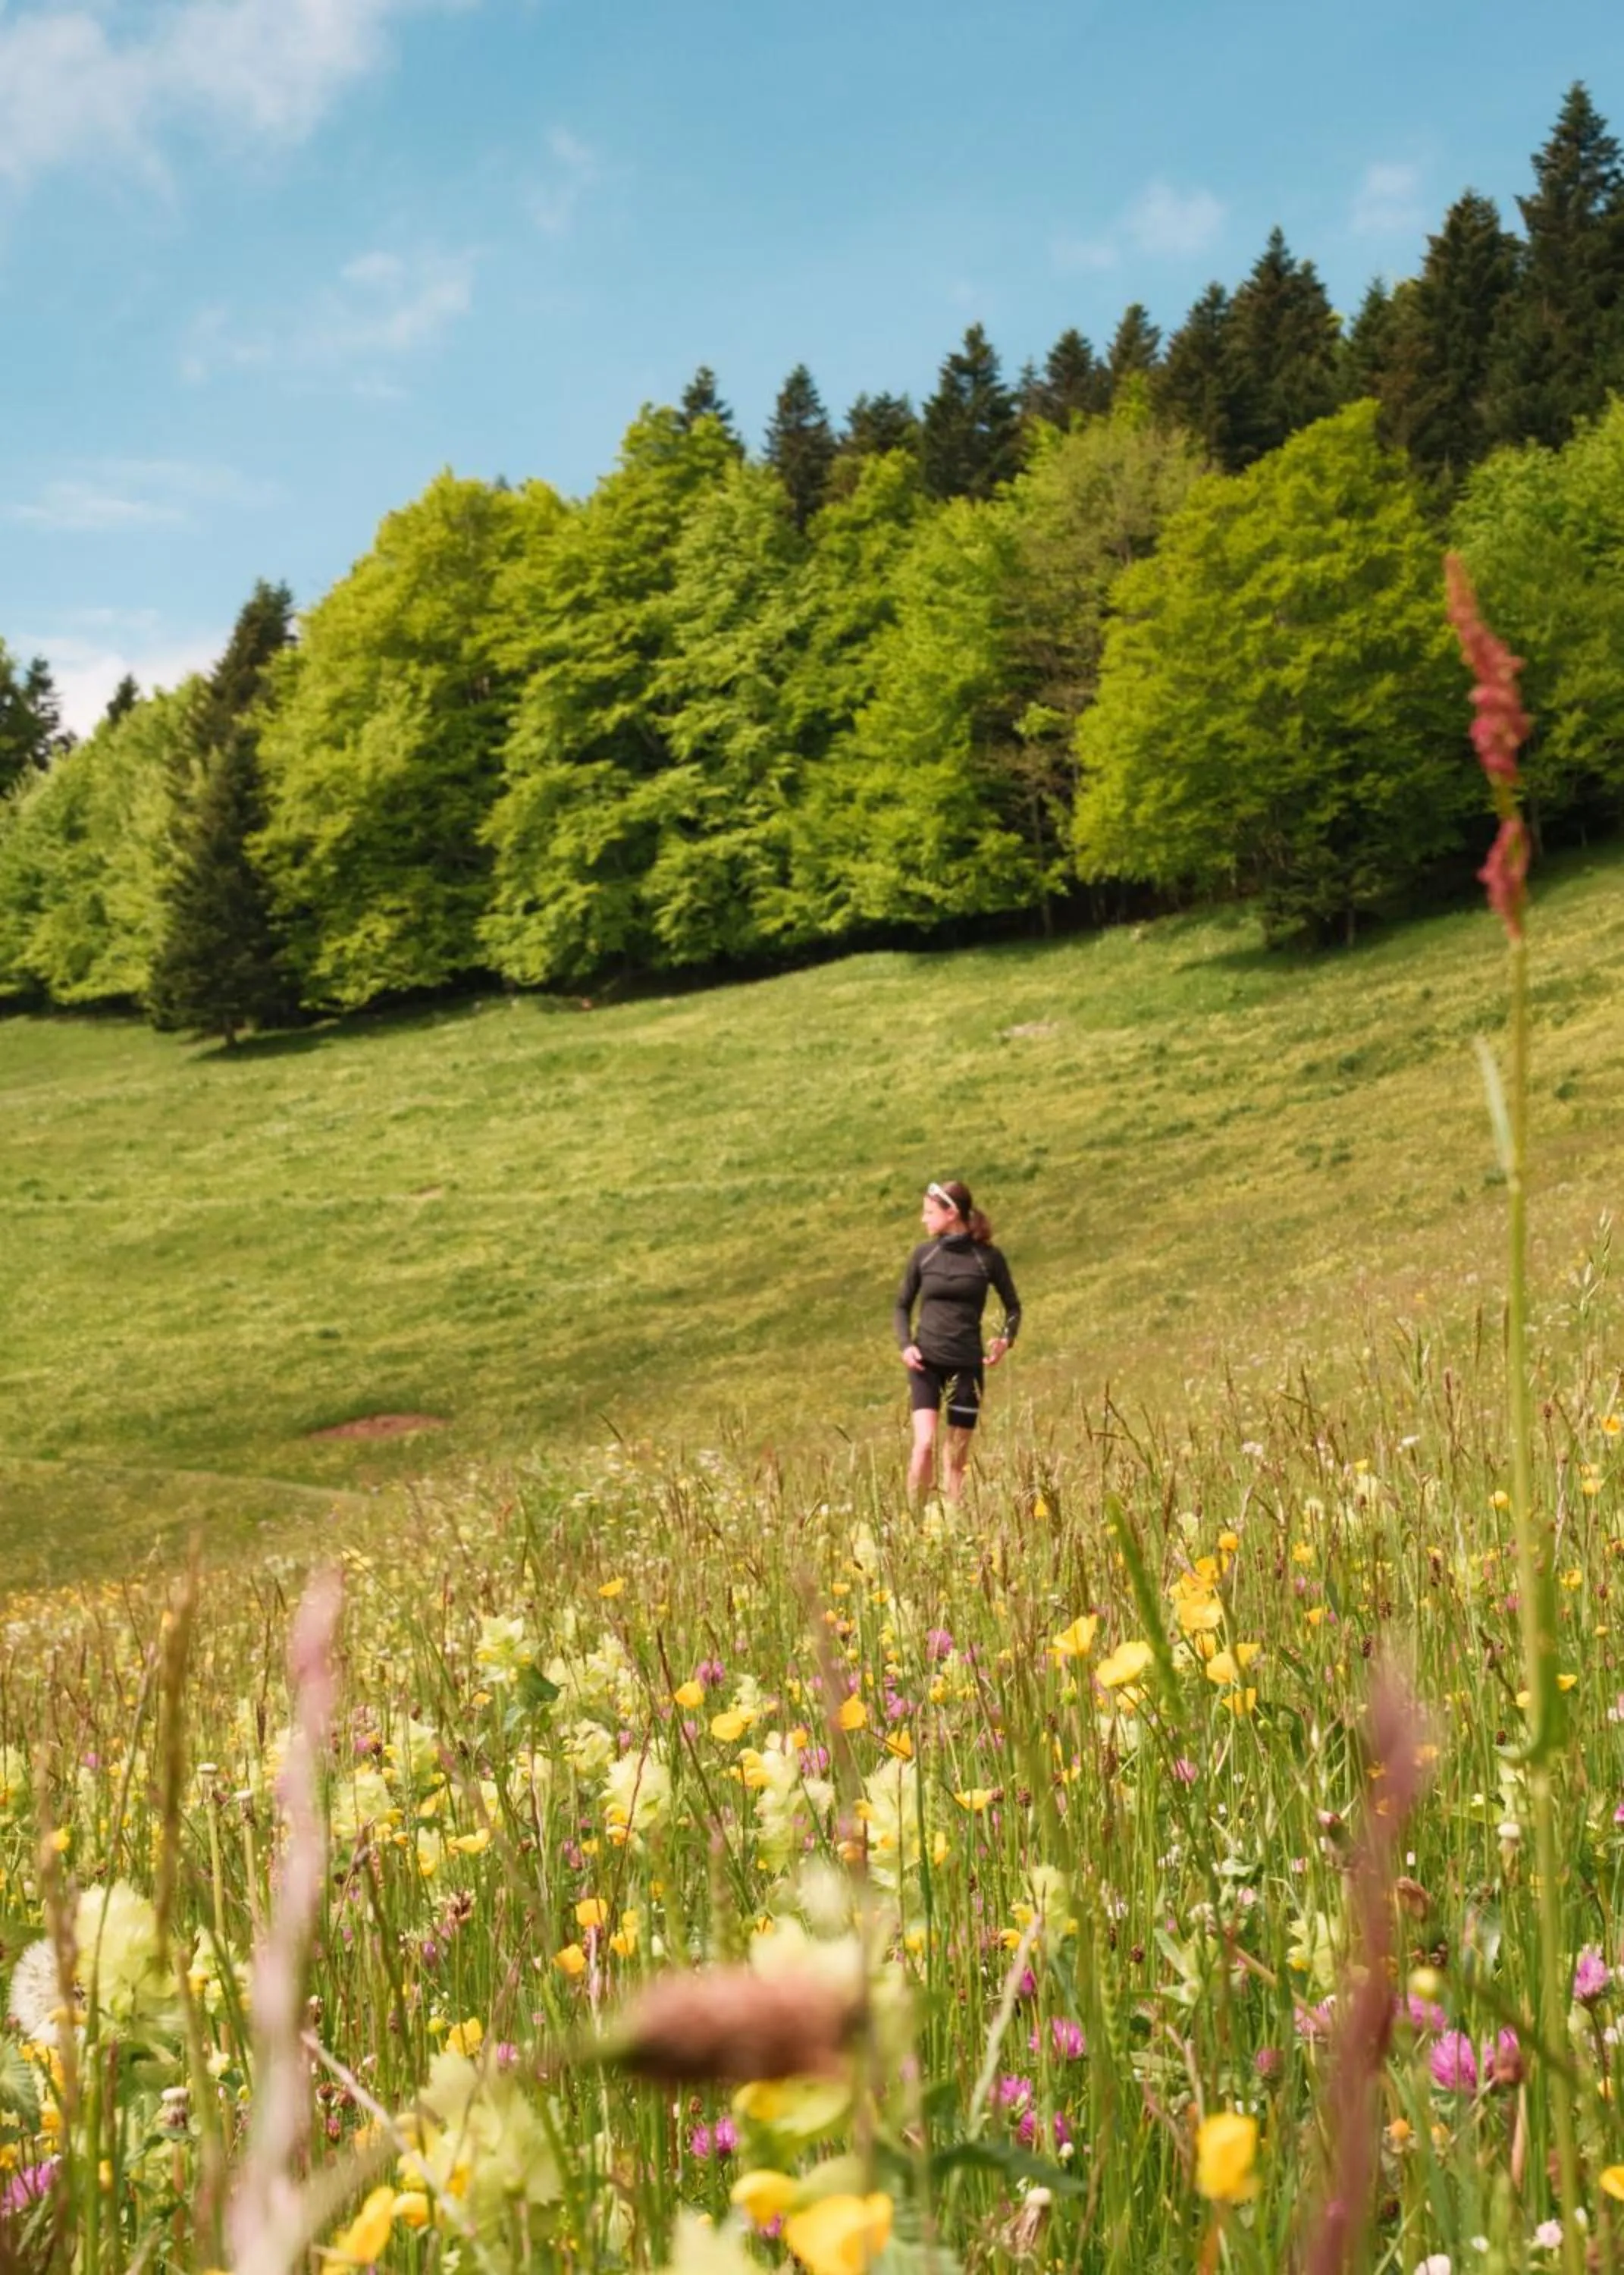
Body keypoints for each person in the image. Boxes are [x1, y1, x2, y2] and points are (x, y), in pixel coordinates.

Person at [893, 1178, 1021, 1506]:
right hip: (926, 1363)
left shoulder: (987, 1258)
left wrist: (1006, 1339)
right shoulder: (924, 1255)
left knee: (957, 1458)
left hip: (966, 1364)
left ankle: (954, 1523)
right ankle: (914, 1517)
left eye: (929, 1212)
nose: (924, 1220)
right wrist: (906, 1344)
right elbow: (902, 1305)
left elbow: (1013, 1306)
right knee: (923, 1444)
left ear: (951, 1213)